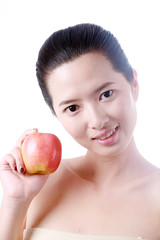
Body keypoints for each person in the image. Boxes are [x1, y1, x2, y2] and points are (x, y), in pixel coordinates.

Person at [0, 23, 160, 240]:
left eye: (106, 94)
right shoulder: (36, 186)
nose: (97, 121)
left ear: (133, 85)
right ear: (57, 114)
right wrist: (15, 201)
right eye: (72, 108)